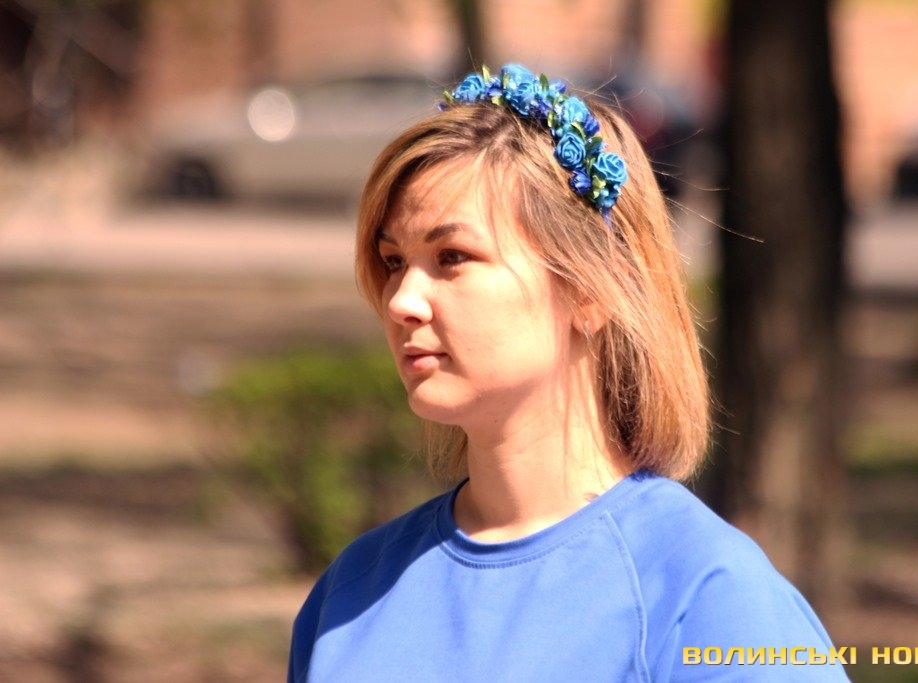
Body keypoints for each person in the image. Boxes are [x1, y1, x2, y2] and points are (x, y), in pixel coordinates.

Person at [288, 63, 849, 682]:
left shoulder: (706, 597)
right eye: (394, 261)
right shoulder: (351, 593)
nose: (402, 302)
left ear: (588, 291)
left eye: (452, 257)